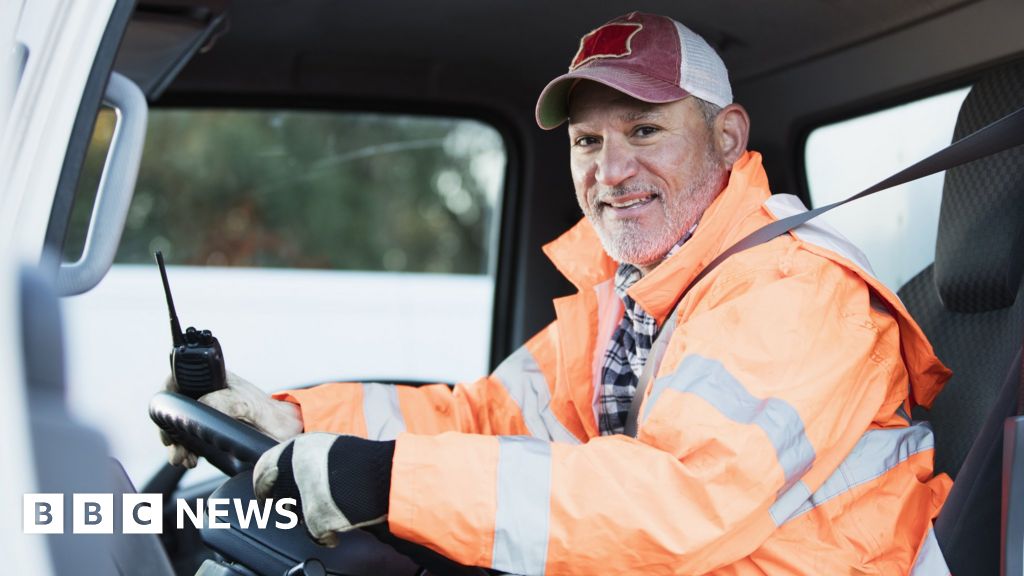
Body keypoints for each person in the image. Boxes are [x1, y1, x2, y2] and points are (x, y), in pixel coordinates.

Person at [163, 12, 954, 575]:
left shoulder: (794, 290)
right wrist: (287, 417)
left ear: (728, 140)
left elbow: (678, 505)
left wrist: (392, 480)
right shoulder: (637, 298)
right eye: (588, 142)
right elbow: (487, 416)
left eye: (643, 131)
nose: (609, 173)